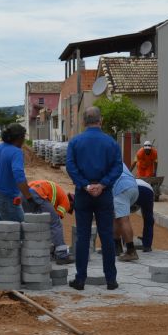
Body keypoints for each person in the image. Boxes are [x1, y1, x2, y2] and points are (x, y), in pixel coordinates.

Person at [66, 106, 123, 291]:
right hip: (104, 194)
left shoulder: (75, 142)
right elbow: (118, 167)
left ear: (84, 121)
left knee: (83, 237)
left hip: (83, 194)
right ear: (101, 120)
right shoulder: (111, 142)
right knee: (106, 236)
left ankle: (80, 279)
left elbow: (70, 166)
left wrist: (85, 185)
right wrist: (103, 184)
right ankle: (111, 280)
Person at [0, 123, 35, 222]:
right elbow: (19, 175)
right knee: (19, 228)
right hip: (6, 198)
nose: (24, 140)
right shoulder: (16, 152)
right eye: (23, 137)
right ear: (19, 138)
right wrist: (29, 198)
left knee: (0, 229)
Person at [23, 180, 75, 265]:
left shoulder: (58, 195)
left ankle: (34, 253)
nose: (67, 210)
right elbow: (56, 219)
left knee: (33, 222)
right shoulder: (66, 202)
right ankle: (62, 255)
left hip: (24, 193)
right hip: (38, 193)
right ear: (72, 203)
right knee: (56, 224)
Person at [112, 164, 140, 261]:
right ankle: (117, 247)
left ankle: (131, 251)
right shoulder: (116, 159)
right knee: (116, 217)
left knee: (123, 220)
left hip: (121, 189)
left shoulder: (102, 161)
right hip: (133, 187)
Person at [132, 179, 155, 253]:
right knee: (148, 218)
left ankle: (124, 243)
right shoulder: (138, 181)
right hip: (148, 190)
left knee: (123, 219)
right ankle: (147, 245)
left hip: (132, 189)